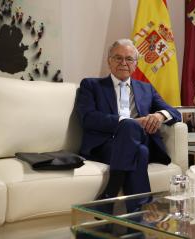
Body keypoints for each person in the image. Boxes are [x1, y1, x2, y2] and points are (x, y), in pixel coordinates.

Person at [76, 39, 181, 212]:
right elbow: (88, 118)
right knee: (139, 150)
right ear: (109, 61)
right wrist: (126, 122)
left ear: (136, 64)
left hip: (138, 140)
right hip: (105, 145)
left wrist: (159, 115)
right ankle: (140, 216)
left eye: (129, 59)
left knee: (134, 134)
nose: (123, 63)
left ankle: (110, 194)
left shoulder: (146, 89)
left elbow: (174, 112)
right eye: (118, 58)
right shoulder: (91, 85)